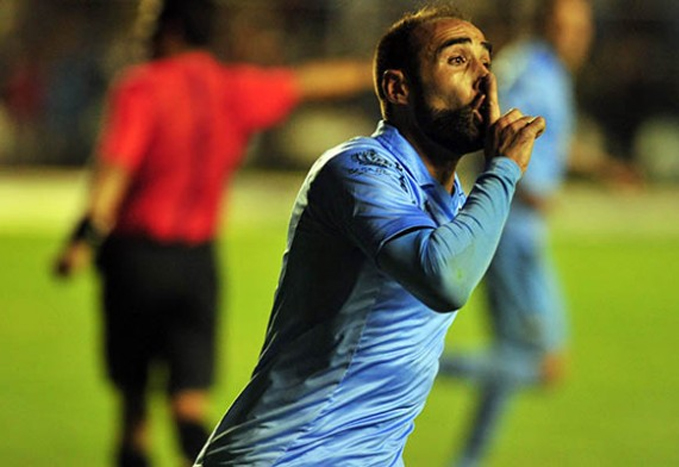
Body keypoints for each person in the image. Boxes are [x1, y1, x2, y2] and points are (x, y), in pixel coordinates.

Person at [194, 5, 546, 466]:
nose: (485, 79)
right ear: (398, 88)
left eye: (486, 61)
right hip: (289, 455)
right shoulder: (359, 168)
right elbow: (445, 279)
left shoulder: (455, 200)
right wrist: (502, 171)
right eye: (458, 60)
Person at [52, 1, 374, 466]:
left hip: (135, 260)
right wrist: (378, 70)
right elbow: (305, 83)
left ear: (172, 29)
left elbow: (116, 168)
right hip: (196, 265)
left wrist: (82, 239)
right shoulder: (231, 88)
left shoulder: (142, 87)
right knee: (189, 407)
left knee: (134, 410)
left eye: (150, 25)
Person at [438, 0, 594, 465]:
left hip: (518, 232)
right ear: (543, 24)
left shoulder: (546, 71)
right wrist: (526, 186)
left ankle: (467, 461)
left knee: (508, 357)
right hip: (514, 237)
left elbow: (551, 140)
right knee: (544, 365)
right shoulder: (530, 72)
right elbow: (497, 131)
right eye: (565, 27)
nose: (575, 38)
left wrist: (605, 167)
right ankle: (411, 363)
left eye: (581, 28)